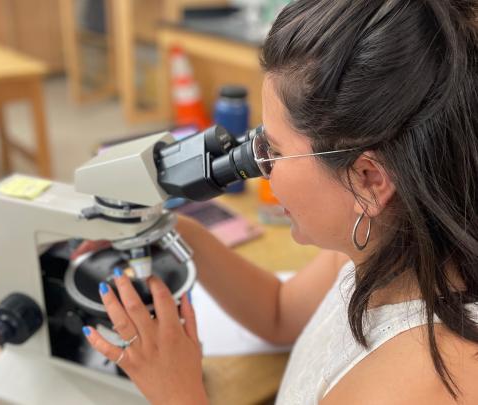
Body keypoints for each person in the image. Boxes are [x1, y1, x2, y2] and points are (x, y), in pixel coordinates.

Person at [80, 0, 478, 403]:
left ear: (369, 180)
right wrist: (175, 232)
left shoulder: (422, 382)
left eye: (272, 150)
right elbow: (279, 313)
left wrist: (179, 394)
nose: (259, 166)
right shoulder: (391, 246)